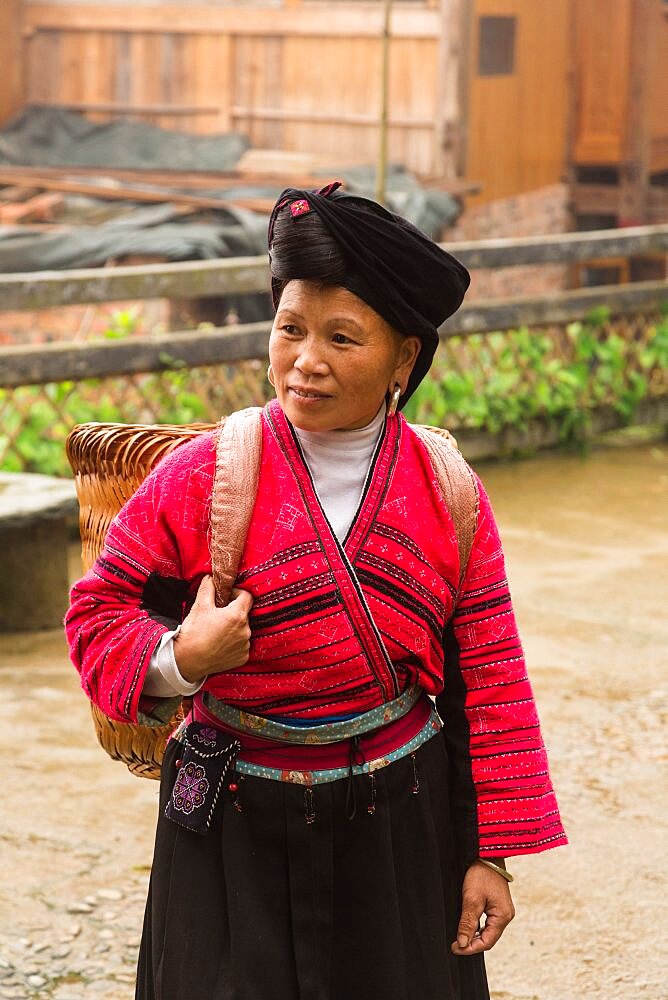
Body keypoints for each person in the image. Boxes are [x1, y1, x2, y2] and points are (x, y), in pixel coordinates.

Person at [65, 181, 566, 1000]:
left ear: (405, 356)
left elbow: (491, 676)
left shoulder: (448, 491)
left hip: (400, 828)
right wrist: (181, 657)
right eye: (290, 328)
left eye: (343, 336)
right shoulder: (206, 476)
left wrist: (488, 851)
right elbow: (97, 612)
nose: (306, 360)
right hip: (232, 821)